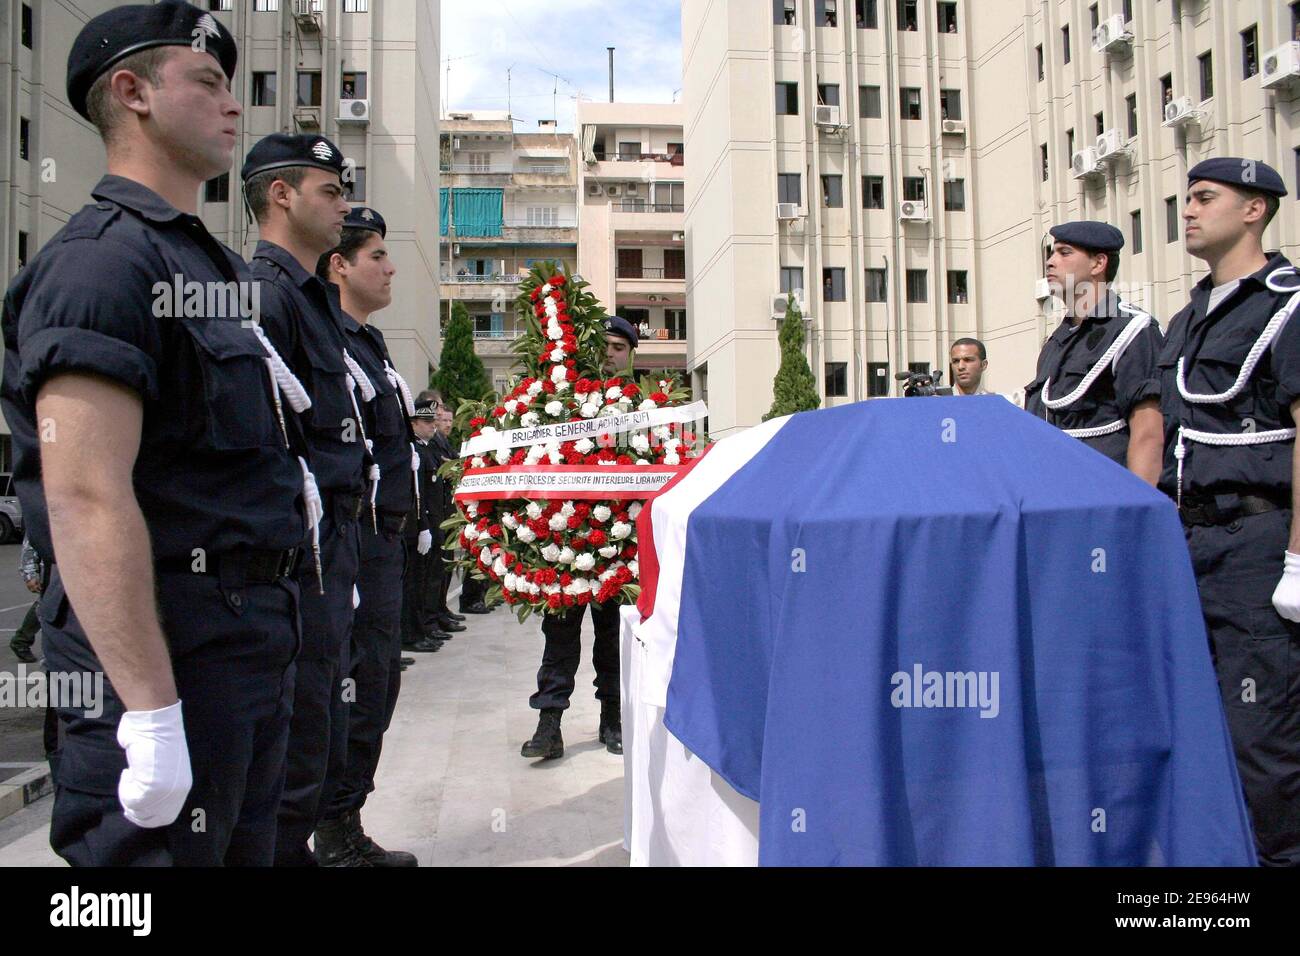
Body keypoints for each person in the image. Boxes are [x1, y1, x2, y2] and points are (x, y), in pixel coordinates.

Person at [0, 1, 308, 866]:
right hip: (165, 665)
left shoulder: (199, 261)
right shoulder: (103, 262)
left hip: (241, 652)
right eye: (208, 82)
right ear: (132, 93)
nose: (233, 105)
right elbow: (85, 495)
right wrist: (149, 710)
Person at [1158, 157, 1300, 866]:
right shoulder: (1189, 318)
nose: (1188, 209)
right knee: (1198, 723)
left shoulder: (1288, 305)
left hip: (1259, 541)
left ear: (1255, 210)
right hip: (1192, 540)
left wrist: (1299, 562)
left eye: (1205, 197)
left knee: (1262, 735)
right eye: (1185, 198)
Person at [241, 132, 367, 867]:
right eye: (330, 189)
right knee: (294, 737)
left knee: (318, 718)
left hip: (335, 544)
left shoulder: (311, 297)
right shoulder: (266, 293)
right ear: (281, 195)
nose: (342, 203)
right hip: (302, 550)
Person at [314, 206, 418, 867]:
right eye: (376, 255)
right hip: (357, 542)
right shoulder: (330, 341)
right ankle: (332, 831)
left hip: (387, 546)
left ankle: (346, 819)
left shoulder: (370, 344)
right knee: (350, 689)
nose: (390, 266)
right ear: (340, 266)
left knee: (376, 687)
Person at [520, 315, 640, 760]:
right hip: (567, 545)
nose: (610, 354)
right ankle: (548, 726)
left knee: (612, 642)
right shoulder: (569, 403)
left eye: (619, 347)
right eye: (604, 346)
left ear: (631, 354)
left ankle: (613, 720)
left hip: (616, 550)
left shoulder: (644, 406)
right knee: (560, 639)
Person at [1024, 220, 1164, 484]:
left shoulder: (1133, 331)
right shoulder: (1055, 343)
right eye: (1051, 253)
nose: (1051, 262)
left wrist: (1138, 513)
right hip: (1057, 494)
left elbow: (1148, 435)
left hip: (1107, 497)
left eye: (1064, 253)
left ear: (1098, 264)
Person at [401, 398, 453, 654]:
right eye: (427, 422)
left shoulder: (427, 449)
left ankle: (421, 628)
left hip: (433, 522)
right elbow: (418, 494)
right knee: (415, 584)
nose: (433, 426)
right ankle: (413, 632)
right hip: (420, 526)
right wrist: (422, 526)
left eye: (434, 421)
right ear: (413, 423)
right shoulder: (414, 451)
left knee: (427, 580)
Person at [9, 537, 43, 664]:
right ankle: (21, 641)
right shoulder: (44, 516)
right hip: (56, 566)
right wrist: (30, 574)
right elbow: (31, 542)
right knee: (47, 603)